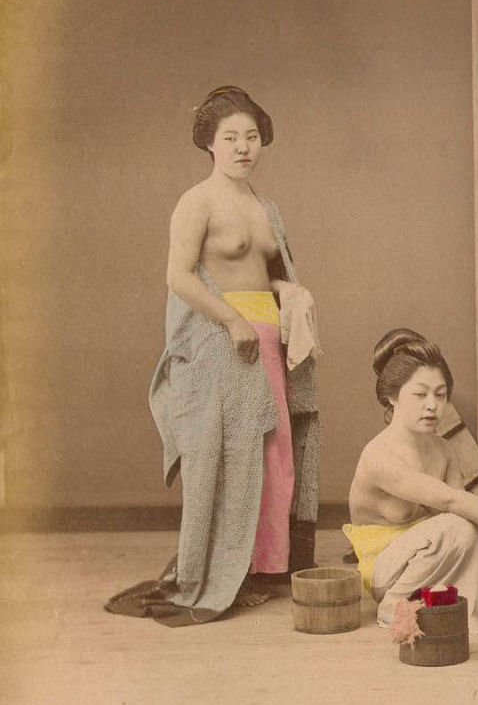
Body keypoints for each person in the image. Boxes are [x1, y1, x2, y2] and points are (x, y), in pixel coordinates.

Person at [106, 86, 320, 626]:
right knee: (230, 457)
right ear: (210, 143)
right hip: (223, 342)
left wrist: (289, 292)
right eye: (230, 137)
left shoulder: (266, 208)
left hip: (268, 339)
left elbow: (268, 274)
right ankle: (226, 570)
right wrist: (230, 320)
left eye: (251, 136)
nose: (243, 147)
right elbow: (179, 276)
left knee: (276, 455)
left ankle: (264, 568)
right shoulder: (196, 202)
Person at [345, 329, 478, 633]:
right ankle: (394, 608)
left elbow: (455, 509)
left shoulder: (444, 449)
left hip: (434, 558)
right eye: (420, 395)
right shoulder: (379, 456)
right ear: (392, 397)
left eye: (440, 394)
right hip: (386, 570)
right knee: (461, 525)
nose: (432, 405)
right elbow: (451, 502)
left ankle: (448, 611)